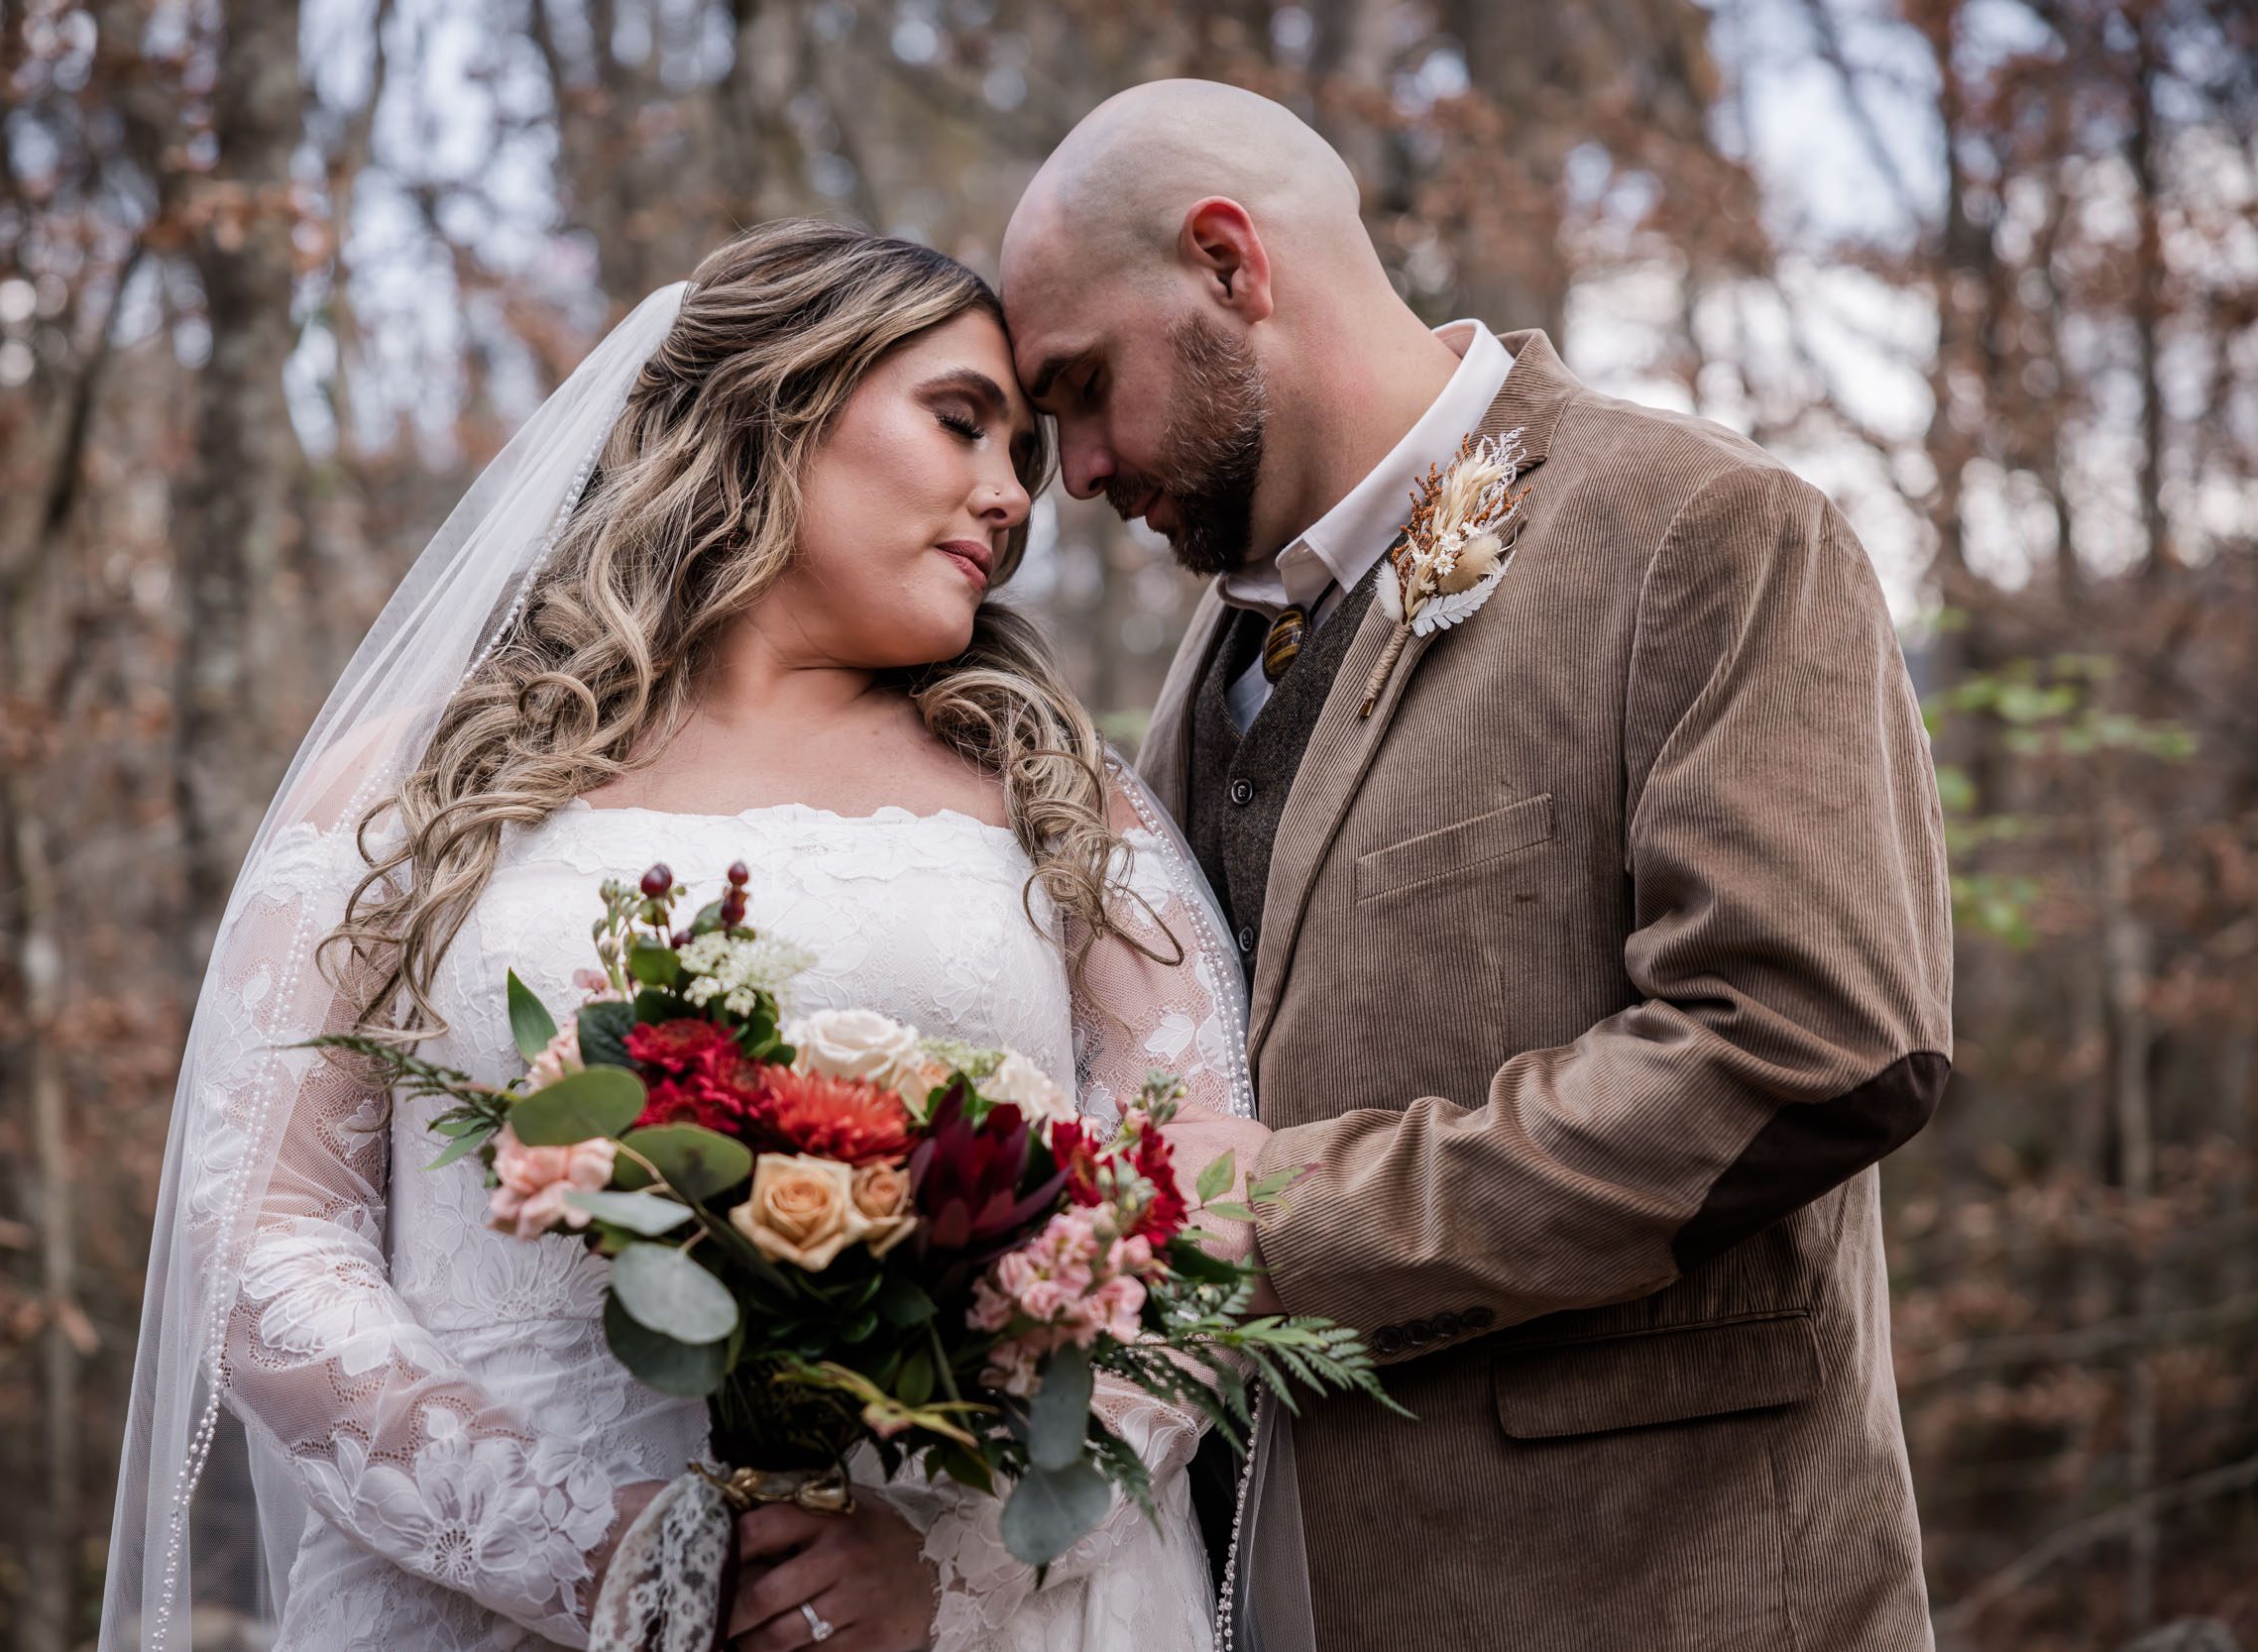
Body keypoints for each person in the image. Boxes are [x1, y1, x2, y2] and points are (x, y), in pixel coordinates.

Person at [101, 221, 1251, 1652]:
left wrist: (953, 1562)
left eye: (1025, 455)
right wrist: (588, 1554)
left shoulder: (1067, 807)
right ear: (774, 403)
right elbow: (257, 1228)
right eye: (962, 422)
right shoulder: (419, 792)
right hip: (497, 1605)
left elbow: (1196, 1200)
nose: (1010, 494)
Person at [1004, 80, 1954, 1652]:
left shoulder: (1705, 533)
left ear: (1231, 266)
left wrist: (1281, 1223)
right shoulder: (1211, 659)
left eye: (1083, 386)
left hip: (1653, 1598)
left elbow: (1812, 1045)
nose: (1078, 470)